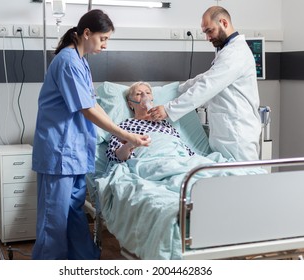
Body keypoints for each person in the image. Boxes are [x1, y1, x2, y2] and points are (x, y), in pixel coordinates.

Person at [31, 10, 150, 260]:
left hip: (73, 152)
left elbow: (92, 104)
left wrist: (124, 133)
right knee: (55, 221)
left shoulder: (80, 60)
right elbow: (87, 109)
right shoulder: (68, 62)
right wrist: (124, 134)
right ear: (87, 33)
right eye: (103, 38)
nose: (105, 45)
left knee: (74, 215)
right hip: (59, 152)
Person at [149, 6, 262, 162]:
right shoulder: (227, 51)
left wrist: (168, 110)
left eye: (209, 31)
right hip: (225, 133)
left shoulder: (235, 53)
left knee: (242, 180)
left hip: (237, 135)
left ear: (224, 23)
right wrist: (175, 89)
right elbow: (205, 78)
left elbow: (206, 87)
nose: (207, 38)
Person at [106, 81, 194, 162]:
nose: (145, 96)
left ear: (152, 98)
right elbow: (115, 157)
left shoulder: (165, 123)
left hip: (177, 158)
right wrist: (130, 144)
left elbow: (181, 146)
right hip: (148, 160)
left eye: (148, 92)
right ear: (130, 104)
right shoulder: (125, 126)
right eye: (138, 94)